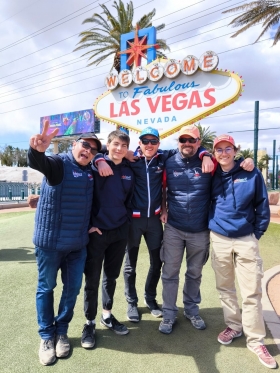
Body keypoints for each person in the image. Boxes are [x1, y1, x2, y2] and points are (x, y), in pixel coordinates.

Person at [96, 126, 214, 323]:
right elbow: (100, 152)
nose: (149, 145)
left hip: (155, 221)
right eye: (145, 141)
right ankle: (131, 302)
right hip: (133, 220)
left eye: (153, 142)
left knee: (157, 262)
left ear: (158, 144)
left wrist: (206, 154)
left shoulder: (164, 158)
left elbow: (189, 149)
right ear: (139, 143)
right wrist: (99, 159)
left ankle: (150, 298)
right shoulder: (130, 160)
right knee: (129, 265)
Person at [159, 125, 254, 335]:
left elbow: (231, 165)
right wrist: (164, 208)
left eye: (191, 140)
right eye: (183, 140)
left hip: (200, 230)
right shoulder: (168, 161)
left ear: (199, 142)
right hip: (173, 228)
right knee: (170, 273)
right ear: (178, 142)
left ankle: (191, 310)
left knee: (194, 273)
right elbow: (163, 188)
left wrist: (248, 161)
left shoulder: (211, 164)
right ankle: (169, 314)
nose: (187, 144)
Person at [28, 121, 101, 365]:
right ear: (73, 144)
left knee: (71, 291)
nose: (88, 151)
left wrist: (90, 223)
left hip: (77, 245)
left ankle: (62, 331)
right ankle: (47, 336)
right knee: (46, 288)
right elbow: (41, 163)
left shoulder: (91, 171)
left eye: (93, 150)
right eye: (85, 145)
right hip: (50, 245)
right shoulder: (59, 164)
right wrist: (38, 151)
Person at [209, 134, 277, 369]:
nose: (224, 153)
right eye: (219, 149)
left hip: (246, 238)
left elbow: (262, 204)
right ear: (214, 152)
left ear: (235, 151)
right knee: (225, 288)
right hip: (218, 238)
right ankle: (234, 326)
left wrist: (256, 233)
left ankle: (255, 339)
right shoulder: (211, 172)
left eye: (228, 149)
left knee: (251, 292)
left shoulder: (250, 172)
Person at [81, 130, 134, 349]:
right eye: (115, 144)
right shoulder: (95, 165)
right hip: (98, 233)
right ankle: (89, 322)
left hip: (119, 232)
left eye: (123, 145)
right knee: (92, 279)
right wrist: (90, 225)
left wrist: (125, 224)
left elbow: (129, 200)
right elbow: (85, 196)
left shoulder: (130, 170)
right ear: (108, 145)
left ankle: (107, 315)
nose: (119, 149)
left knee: (110, 277)